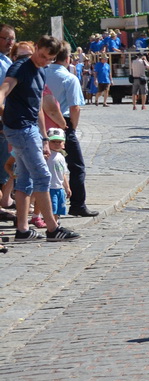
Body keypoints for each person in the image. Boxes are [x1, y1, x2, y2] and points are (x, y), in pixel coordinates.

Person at [0, 36, 73, 242]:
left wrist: (43, 138)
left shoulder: (41, 71)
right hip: (20, 129)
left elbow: (38, 107)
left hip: (31, 129)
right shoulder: (20, 67)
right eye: (41, 56)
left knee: (25, 180)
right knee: (42, 176)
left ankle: (23, 230)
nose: (43, 61)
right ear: (36, 47)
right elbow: (4, 88)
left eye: (49, 59)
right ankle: (52, 228)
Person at [45, 45, 93, 218]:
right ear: (67, 59)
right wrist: (72, 126)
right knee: (76, 166)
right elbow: (75, 107)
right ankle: (78, 204)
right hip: (62, 122)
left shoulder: (42, 72)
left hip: (41, 121)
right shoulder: (69, 78)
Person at [44, 128, 69, 218]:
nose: (57, 144)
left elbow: (63, 173)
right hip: (50, 187)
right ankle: (53, 224)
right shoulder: (47, 155)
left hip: (59, 187)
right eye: (53, 141)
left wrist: (67, 187)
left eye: (59, 142)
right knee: (52, 208)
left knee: (59, 208)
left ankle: (56, 222)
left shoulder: (61, 156)